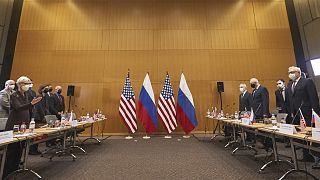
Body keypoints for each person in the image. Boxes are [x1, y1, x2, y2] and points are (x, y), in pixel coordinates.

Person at [3, 76, 42, 178]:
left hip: (24, 125)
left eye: (29, 83)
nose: (29, 85)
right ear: (20, 84)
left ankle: (15, 170)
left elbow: (28, 110)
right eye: (27, 83)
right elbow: (18, 107)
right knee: (12, 151)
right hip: (14, 125)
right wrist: (31, 104)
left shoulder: (26, 95)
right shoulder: (14, 95)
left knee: (19, 150)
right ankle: (7, 173)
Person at [287, 66, 320, 168]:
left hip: (307, 113)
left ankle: (318, 159)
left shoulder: (307, 81)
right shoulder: (290, 84)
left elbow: (313, 98)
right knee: (301, 136)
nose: (290, 74)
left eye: (292, 72)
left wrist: (316, 113)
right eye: (289, 72)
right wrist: (292, 112)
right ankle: (307, 155)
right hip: (296, 114)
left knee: (313, 136)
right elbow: (291, 100)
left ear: (298, 72)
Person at [250, 78, 271, 149]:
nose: (251, 85)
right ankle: (261, 142)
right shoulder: (254, 91)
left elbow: (265, 102)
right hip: (256, 113)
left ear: (256, 82)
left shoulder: (263, 89)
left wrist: (265, 113)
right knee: (259, 129)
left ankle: (267, 145)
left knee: (264, 130)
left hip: (262, 112)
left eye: (252, 83)